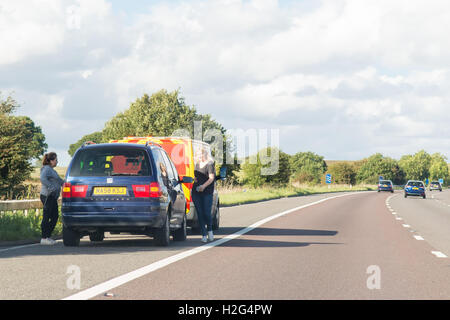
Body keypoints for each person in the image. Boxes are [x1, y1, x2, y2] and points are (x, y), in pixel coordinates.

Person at [40, 152, 64, 245]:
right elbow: (43, 178)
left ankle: (48, 236)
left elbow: (60, 181)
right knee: (47, 216)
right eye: (55, 160)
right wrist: (51, 187)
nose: (57, 162)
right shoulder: (47, 169)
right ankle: (44, 238)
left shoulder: (52, 170)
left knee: (54, 217)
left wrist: (69, 184)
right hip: (47, 196)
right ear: (50, 161)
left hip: (52, 197)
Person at [192, 147, 216, 243]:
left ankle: (210, 230)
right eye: (197, 155)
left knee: (206, 212)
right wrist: (194, 180)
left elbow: (211, 178)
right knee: (200, 213)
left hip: (207, 192)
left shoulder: (209, 164)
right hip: (196, 192)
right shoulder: (197, 165)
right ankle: (203, 234)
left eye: (200, 154)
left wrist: (203, 186)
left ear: (205, 155)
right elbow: (197, 177)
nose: (199, 156)